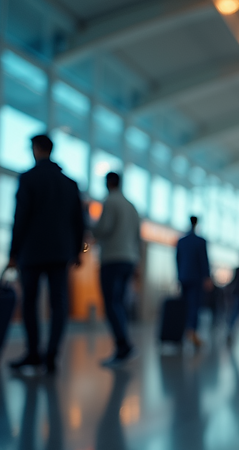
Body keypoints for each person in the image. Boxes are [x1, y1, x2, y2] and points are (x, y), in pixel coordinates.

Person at [9, 134, 86, 374]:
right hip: (60, 253)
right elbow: (78, 222)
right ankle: (51, 355)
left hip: (31, 251)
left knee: (30, 302)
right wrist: (77, 251)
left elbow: (20, 217)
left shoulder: (29, 178)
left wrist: (13, 251)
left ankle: (33, 353)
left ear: (36, 149)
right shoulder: (70, 183)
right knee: (58, 304)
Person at [92, 172, 141, 366]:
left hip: (113, 258)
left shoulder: (110, 202)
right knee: (119, 302)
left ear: (109, 183)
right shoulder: (132, 206)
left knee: (111, 304)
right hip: (129, 259)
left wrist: (90, 227)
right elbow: (138, 236)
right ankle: (124, 344)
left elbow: (104, 228)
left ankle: (123, 346)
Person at [176, 216, 212, 348]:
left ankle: (182, 331)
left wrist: (179, 277)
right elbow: (204, 260)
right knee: (194, 305)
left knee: (184, 305)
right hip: (196, 278)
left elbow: (178, 260)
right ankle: (192, 331)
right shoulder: (200, 241)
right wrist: (207, 277)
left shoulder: (182, 241)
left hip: (184, 277)